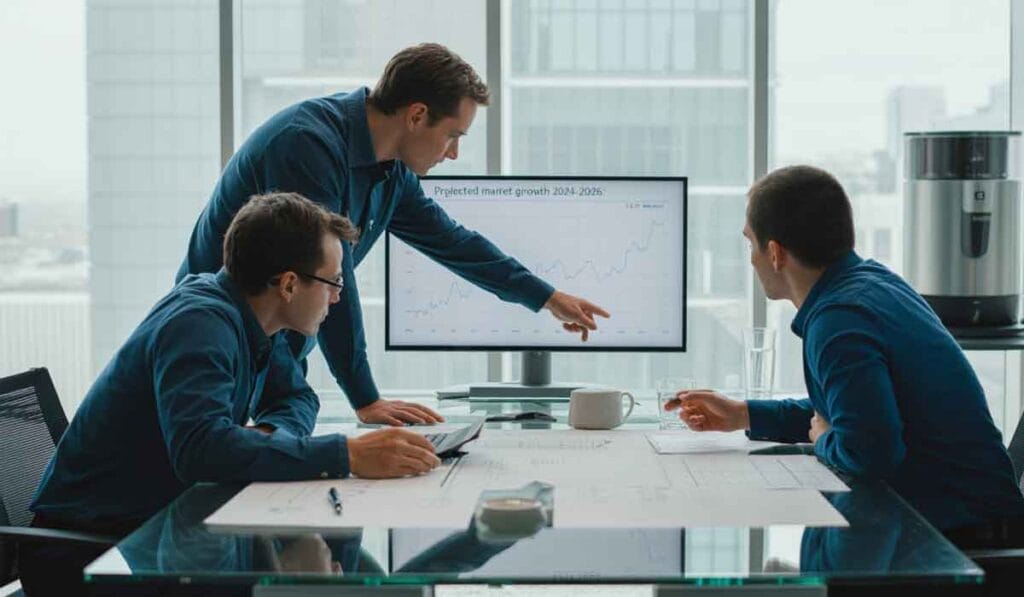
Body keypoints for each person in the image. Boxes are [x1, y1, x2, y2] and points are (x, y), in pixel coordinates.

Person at [23, 193, 440, 595]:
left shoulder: (255, 316)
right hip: (87, 553)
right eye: (333, 281)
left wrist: (270, 436)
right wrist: (345, 455)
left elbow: (297, 398)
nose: (337, 295)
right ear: (289, 285)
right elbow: (200, 450)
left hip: (161, 530)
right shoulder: (200, 324)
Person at [176, 43, 609, 426]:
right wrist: (366, 399)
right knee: (216, 474)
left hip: (277, 346)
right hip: (218, 344)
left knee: (284, 457)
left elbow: (454, 243)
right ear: (417, 115)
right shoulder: (306, 145)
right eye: (452, 136)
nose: (454, 153)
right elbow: (327, 277)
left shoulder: (391, 173)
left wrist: (548, 297)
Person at [667, 165, 1024, 534]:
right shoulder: (871, 285)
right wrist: (744, 414)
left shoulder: (839, 320)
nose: (750, 258)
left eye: (749, 242)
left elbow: (869, 452)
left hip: (965, 541)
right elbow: (855, 411)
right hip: (966, 518)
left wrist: (824, 440)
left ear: (774, 253)